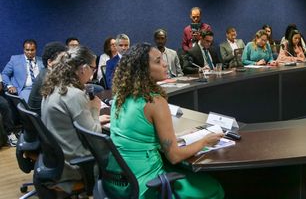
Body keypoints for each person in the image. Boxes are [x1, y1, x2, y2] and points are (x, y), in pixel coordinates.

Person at [105, 43, 224, 198]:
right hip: (145, 185)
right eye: (157, 61)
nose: (165, 64)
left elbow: (140, 136)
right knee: (214, 189)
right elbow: (174, 156)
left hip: (117, 182)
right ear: (143, 69)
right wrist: (205, 142)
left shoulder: (119, 98)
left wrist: (179, 137)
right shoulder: (155, 102)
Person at [40, 46, 110, 197]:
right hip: (75, 166)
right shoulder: (74, 95)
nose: (93, 73)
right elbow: (93, 134)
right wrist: (95, 108)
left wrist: (94, 118)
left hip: (57, 159)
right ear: (83, 69)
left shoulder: (53, 86)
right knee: (119, 151)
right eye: (93, 68)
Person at [28, 41, 67, 116]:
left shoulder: (44, 72)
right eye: (62, 59)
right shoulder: (48, 78)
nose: (65, 63)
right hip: (44, 118)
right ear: (50, 62)